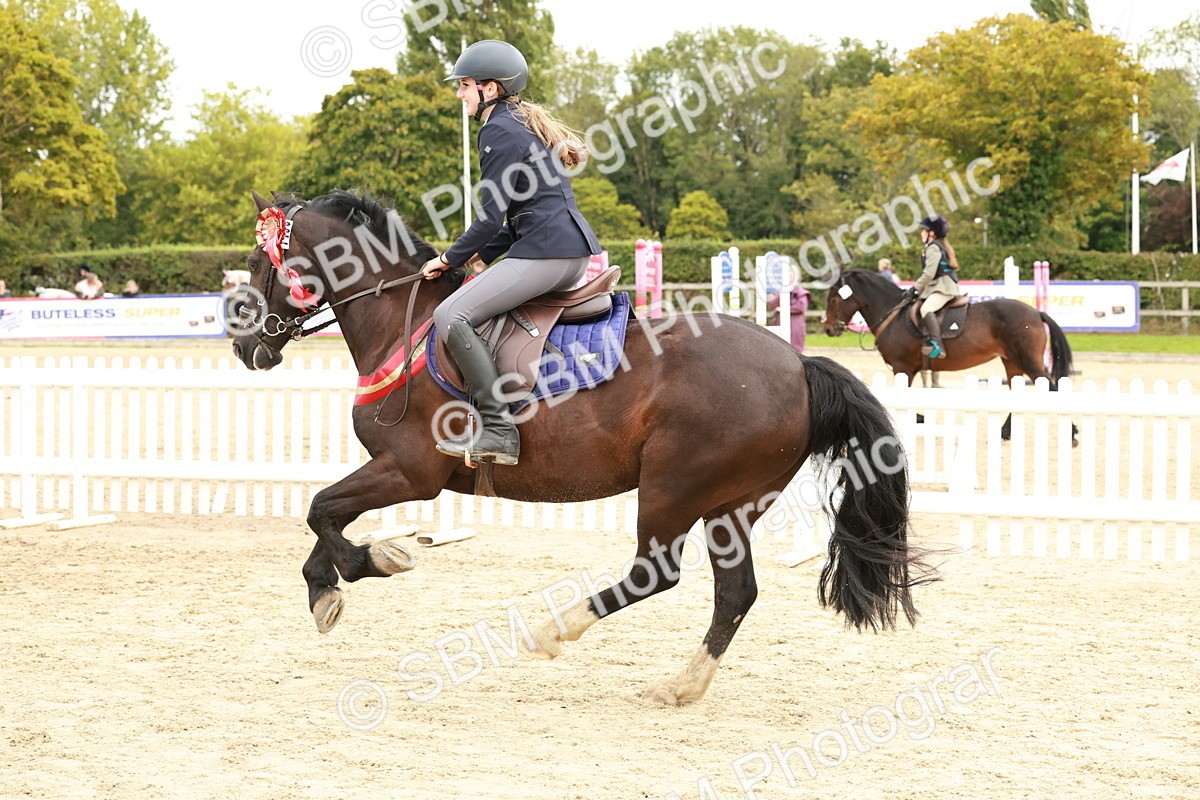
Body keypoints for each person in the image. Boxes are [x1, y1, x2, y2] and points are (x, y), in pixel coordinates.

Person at [419, 40, 601, 466]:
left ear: (491, 88)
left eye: (464, 85)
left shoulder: (497, 130)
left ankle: (498, 429)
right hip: (564, 249)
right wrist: (475, 257)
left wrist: (447, 259)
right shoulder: (521, 124)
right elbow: (517, 220)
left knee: (451, 315)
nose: (459, 93)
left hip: (547, 253)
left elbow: (488, 222)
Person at [907, 215, 962, 359]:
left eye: (923, 230)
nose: (921, 233)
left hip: (943, 287)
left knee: (926, 308)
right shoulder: (938, 245)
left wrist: (915, 288)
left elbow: (929, 273)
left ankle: (938, 345)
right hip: (939, 286)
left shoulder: (933, 247)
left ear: (932, 233)